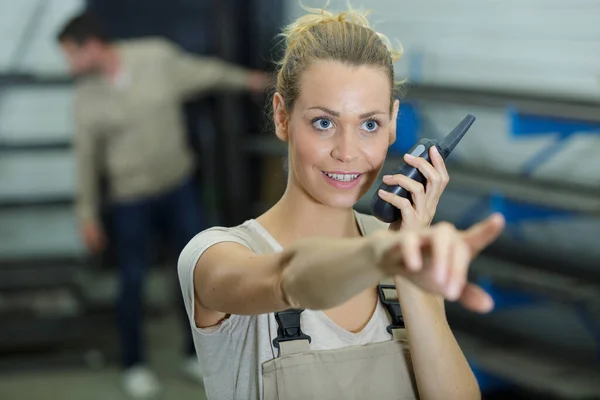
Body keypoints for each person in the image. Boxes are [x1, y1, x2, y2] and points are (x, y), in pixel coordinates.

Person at [178, 6, 505, 400]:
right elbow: (290, 277)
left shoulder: (403, 250)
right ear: (282, 117)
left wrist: (409, 274)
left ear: (393, 123)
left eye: (370, 124)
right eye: (324, 122)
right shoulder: (213, 256)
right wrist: (384, 254)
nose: (348, 153)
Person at [56, 12, 270, 400]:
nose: (69, 66)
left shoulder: (154, 58)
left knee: (195, 274)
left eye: (71, 55)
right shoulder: (86, 97)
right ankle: (134, 364)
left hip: (178, 188)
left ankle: (194, 353)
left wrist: (251, 80)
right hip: (130, 200)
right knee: (132, 281)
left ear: (91, 46)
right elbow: (85, 160)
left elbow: (206, 72)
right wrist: (86, 215)